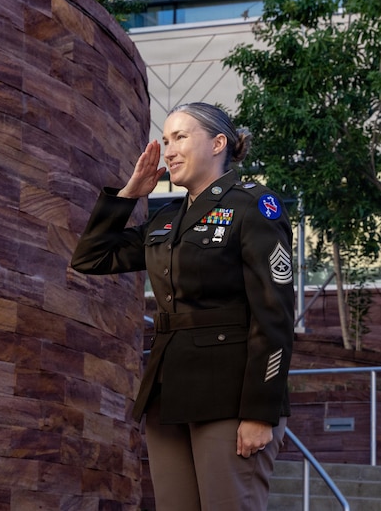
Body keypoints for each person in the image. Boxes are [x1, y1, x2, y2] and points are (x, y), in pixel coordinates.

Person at [71, 102, 294, 510]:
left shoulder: (254, 207)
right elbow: (91, 258)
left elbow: (274, 316)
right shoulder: (166, 219)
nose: (168, 149)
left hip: (230, 397)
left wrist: (261, 412)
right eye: (166, 138)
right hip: (168, 392)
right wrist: (128, 196)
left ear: (217, 143)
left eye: (180, 137)